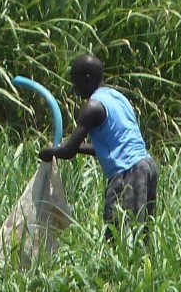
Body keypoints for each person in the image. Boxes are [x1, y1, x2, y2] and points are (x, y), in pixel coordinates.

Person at [38, 54, 158, 238]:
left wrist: (48, 152)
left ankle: (118, 267)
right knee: (140, 234)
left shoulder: (93, 106)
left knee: (119, 235)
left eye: (76, 83)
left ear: (87, 78)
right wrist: (74, 146)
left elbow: (67, 152)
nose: (75, 89)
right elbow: (104, 147)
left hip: (128, 173)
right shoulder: (117, 98)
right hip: (147, 167)